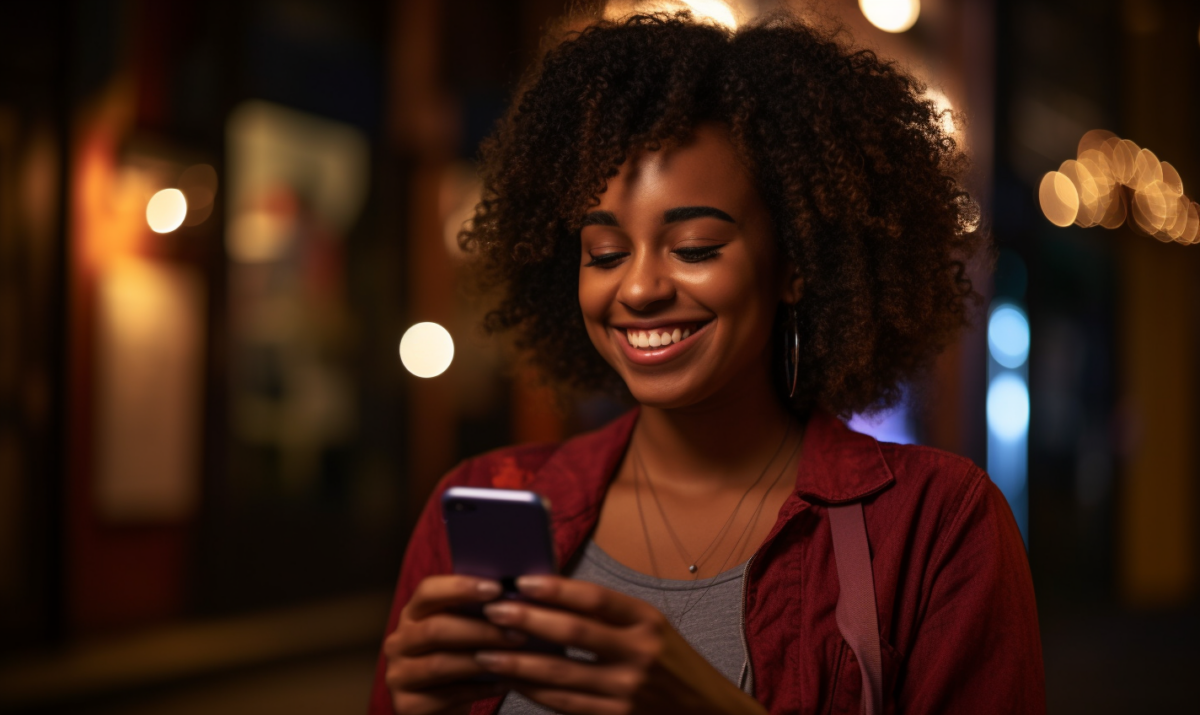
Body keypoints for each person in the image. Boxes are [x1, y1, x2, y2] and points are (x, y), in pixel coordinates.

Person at [370, 9, 1044, 715]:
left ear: (795, 265)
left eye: (694, 247)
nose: (637, 288)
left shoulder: (937, 526)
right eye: (603, 254)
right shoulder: (488, 502)